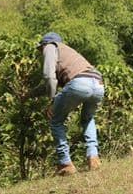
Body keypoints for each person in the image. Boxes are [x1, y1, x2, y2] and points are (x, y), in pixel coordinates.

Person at [30, 32, 105, 176]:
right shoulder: (68, 53)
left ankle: (65, 163)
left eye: (40, 50)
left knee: (55, 120)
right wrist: (29, 95)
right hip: (98, 83)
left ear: (44, 45)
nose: (41, 53)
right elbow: (49, 84)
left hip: (80, 83)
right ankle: (93, 157)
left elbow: (48, 76)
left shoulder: (50, 47)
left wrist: (52, 102)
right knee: (88, 119)